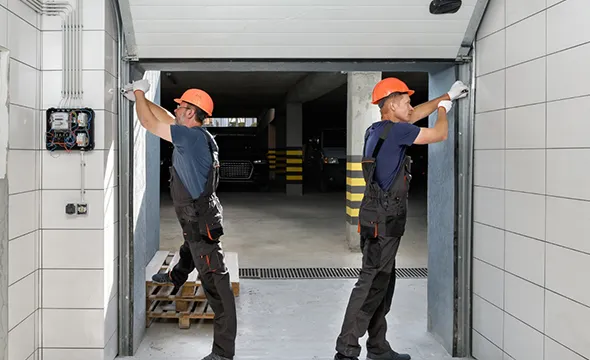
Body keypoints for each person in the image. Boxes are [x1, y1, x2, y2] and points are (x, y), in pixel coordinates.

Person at [334, 77, 469, 360]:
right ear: (392, 104)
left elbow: (415, 114)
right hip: (384, 221)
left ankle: (378, 346)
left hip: (378, 219)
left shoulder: (378, 130)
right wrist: (444, 109)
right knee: (371, 282)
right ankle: (346, 351)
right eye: (406, 101)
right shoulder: (396, 132)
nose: (410, 106)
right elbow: (438, 135)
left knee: (383, 283)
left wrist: (447, 95)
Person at [122, 80, 237, 360]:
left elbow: (150, 124)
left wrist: (138, 94)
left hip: (200, 223)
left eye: (181, 107)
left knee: (218, 291)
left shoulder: (190, 137)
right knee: (189, 245)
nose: (177, 111)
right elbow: (163, 117)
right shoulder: (195, 134)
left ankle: (223, 354)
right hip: (196, 218)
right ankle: (176, 275)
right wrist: (142, 98)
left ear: (190, 112)